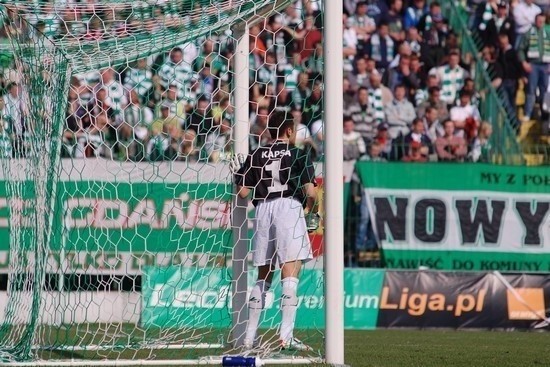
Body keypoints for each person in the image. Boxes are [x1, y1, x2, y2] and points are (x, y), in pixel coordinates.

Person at [230, 110, 319, 352]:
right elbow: (310, 193)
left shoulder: (256, 153)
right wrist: (312, 213)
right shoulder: (299, 154)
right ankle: (286, 335)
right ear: (289, 130)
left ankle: (249, 337)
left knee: (263, 274)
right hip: (288, 206)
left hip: (263, 209)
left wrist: (237, 174)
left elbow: (243, 192)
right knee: (290, 272)